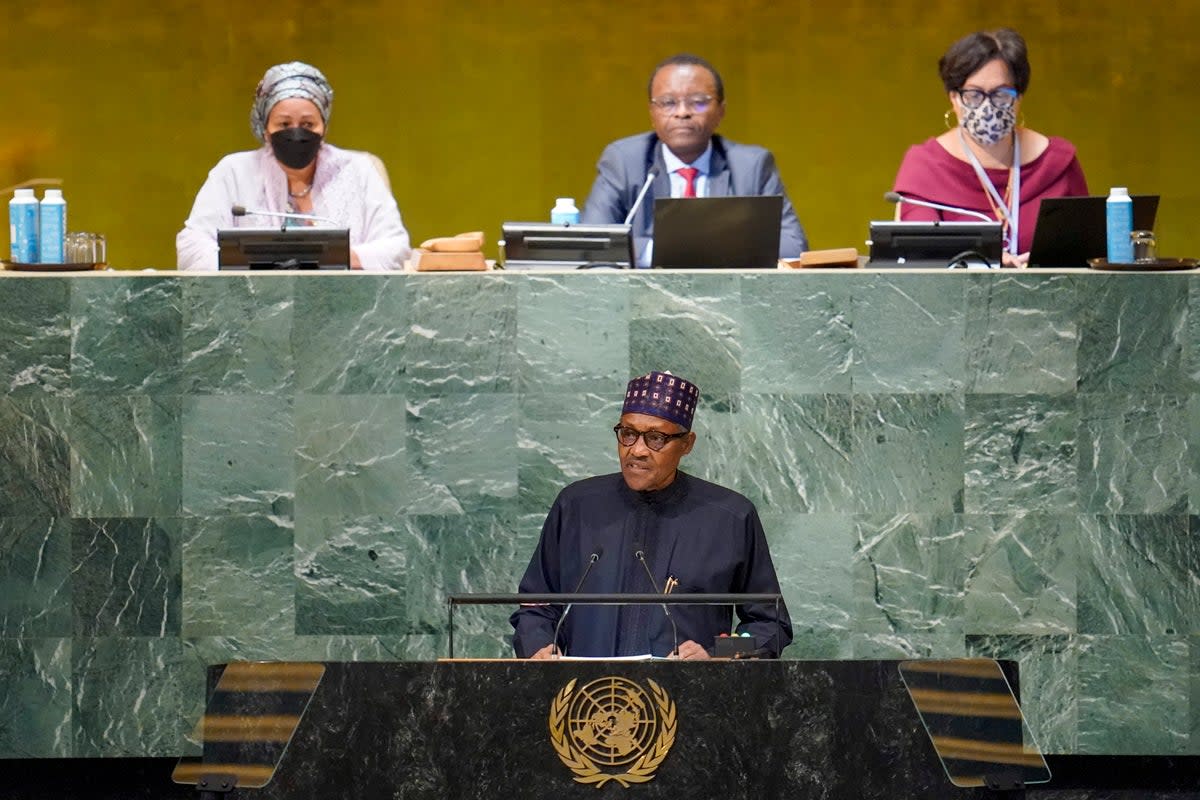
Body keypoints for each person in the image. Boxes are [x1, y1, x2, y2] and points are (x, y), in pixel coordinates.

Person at [510, 371, 793, 660]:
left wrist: (716, 653)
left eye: (656, 438)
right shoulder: (576, 505)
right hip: (586, 698)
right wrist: (539, 647)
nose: (638, 450)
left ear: (687, 444)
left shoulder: (731, 516)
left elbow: (771, 626)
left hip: (688, 698)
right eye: (628, 434)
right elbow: (536, 605)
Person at [176, 61, 410, 271]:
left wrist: (337, 257)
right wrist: (254, 263)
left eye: (308, 124)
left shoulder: (359, 171)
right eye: (284, 123)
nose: (296, 132)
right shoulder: (234, 172)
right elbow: (191, 247)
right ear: (265, 129)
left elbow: (395, 247)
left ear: (324, 128)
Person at [580, 54, 807, 266]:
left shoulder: (752, 166)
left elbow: (793, 246)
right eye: (668, 103)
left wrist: (697, 250)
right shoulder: (624, 161)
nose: (682, 112)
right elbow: (593, 241)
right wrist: (673, 252)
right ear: (652, 113)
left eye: (698, 102)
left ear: (721, 111)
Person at [891, 28, 1088, 267]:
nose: (987, 107)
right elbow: (918, 258)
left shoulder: (1057, 164)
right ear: (953, 98)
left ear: (1019, 97)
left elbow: (1085, 255)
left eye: (1000, 94)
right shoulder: (925, 167)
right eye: (974, 95)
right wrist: (982, 263)